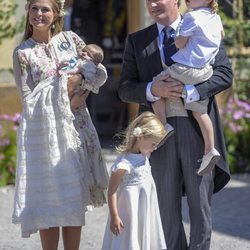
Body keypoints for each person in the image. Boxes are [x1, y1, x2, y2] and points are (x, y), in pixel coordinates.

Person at [118, 0, 233, 249]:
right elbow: (125, 88)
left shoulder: (203, 25)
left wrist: (190, 91)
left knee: (200, 206)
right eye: (148, 0)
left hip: (197, 134)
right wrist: (152, 89)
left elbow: (224, 74)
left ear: (177, 1)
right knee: (165, 207)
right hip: (158, 134)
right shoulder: (137, 40)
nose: (153, 3)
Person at [12, 0, 108, 249]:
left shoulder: (71, 40)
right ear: (28, 11)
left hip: (76, 129)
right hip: (44, 133)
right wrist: (61, 90)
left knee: (73, 199)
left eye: (45, 9)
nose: (39, 14)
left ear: (56, 14)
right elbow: (28, 100)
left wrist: (78, 91)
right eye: (34, 8)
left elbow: (95, 72)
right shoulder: (23, 53)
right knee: (50, 201)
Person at [152, 0, 223, 176]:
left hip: (185, 67)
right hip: (204, 71)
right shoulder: (215, 17)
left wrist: (180, 37)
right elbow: (220, 36)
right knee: (200, 112)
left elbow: (180, 43)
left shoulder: (191, 16)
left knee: (156, 86)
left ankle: (163, 124)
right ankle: (210, 149)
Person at [102, 111, 167, 250]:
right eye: (154, 144)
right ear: (141, 137)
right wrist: (114, 216)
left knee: (143, 235)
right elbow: (112, 189)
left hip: (144, 209)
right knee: (129, 239)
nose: (155, 148)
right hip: (128, 213)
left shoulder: (145, 156)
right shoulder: (124, 163)